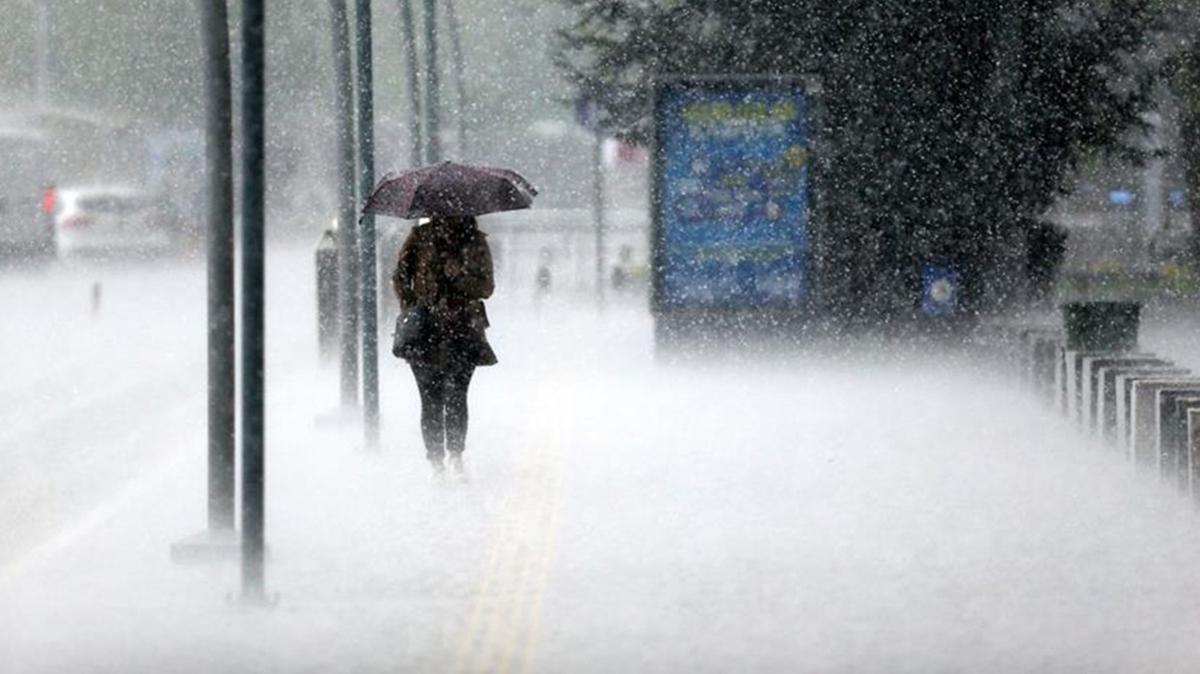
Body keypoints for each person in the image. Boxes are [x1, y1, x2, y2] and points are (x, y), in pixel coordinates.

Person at [392, 215, 497, 479]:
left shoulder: (475, 241)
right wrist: (413, 308)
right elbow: (400, 277)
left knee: (457, 396)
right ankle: (436, 461)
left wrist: (459, 276)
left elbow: (486, 287)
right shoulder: (420, 238)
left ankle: (455, 455)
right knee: (430, 398)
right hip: (425, 332)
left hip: (463, 329)